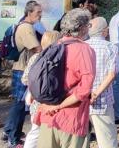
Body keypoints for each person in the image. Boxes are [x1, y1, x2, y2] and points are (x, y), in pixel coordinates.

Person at [34, 9, 96, 147]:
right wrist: (59, 105)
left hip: (47, 114)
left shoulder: (54, 45)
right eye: (88, 25)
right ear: (82, 28)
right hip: (71, 117)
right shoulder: (84, 50)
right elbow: (85, 89)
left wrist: (48, 105)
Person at [4, 1, 43, 148]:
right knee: (20, 104)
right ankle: (13, 139)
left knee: (18, 103)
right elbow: (37, 48)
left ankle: (8, 130)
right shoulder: (26, 28)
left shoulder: (24, 25)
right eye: (37, 12)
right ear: (29, 13)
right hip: (22, 69)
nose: (40, 15)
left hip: (20, 68)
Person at [22, 31, 60, 148]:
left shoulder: (34, 57)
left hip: (36, 98)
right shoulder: (58, 58)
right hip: (51, 100)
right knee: (48, 131)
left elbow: (25, 79)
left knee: (35, 130)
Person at [87, 17, 119, 148]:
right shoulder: (111, 47)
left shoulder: (83, 45)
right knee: (107, 139)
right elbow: (111, 74)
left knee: (82, 139)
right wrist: (96, 94)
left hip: (81, 99)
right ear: (105, 31)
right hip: (102, 99)